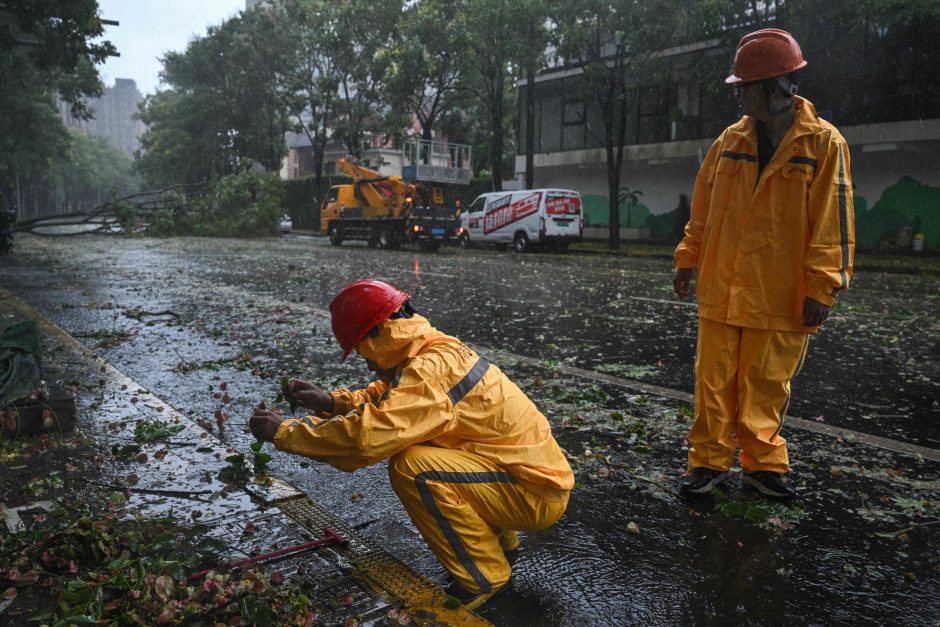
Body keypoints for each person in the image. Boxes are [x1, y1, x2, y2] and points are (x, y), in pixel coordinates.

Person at [249, 279, 573, 609]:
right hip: (525, 477)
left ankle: (484, 578)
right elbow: (392, 399)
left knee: (414, 467)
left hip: (534, 493)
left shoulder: (429, 370)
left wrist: (283, 432)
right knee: (433, 451)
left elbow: (366, 436)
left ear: (380, 336)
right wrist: (332, 402)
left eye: (364, 353)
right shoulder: (433, 349)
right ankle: (500, 544)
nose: (369, 365)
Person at [673, 29, 855, 498]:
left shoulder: (823, 145)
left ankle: (762, 465)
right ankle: (708, 462)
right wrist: (687, 258)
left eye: (744, 86)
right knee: (712, 383)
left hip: (780, 293)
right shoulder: (729, 142)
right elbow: (703, 206)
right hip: (722, 286)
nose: (738, 95)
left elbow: (833, 222)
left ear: (773, 87)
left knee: (766, 384)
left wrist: (823, 287)